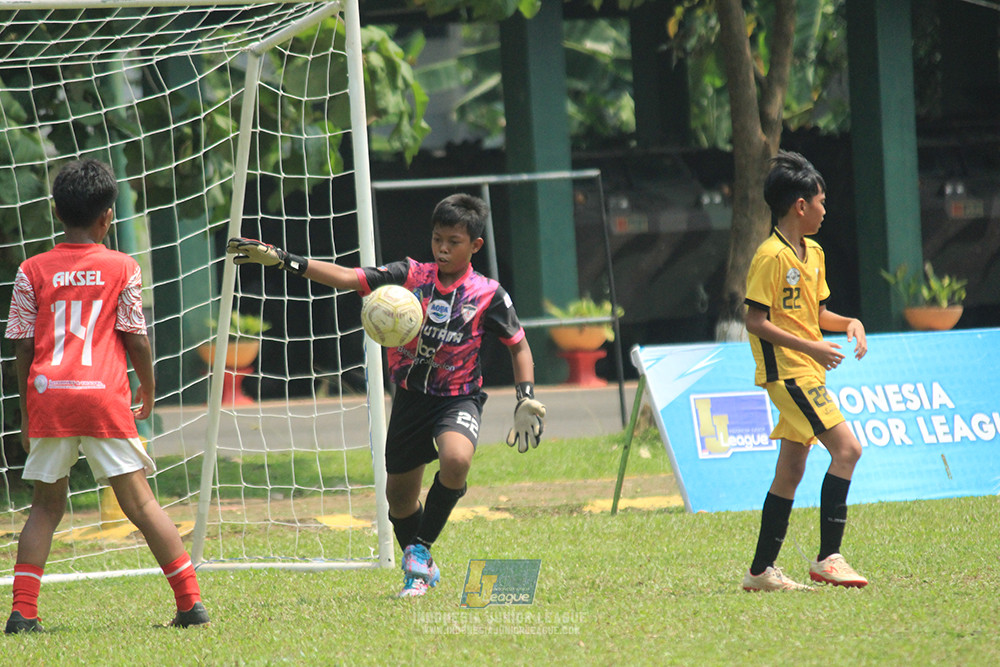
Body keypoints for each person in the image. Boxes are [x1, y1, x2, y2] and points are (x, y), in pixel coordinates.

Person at [227, 193, 546, 598]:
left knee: (457, 459)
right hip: (411, 398)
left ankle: (419, 554)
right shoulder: (411, 276)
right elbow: (347, 278)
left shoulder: (489, 294)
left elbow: (518, 346)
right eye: (437, 239)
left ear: (475, 246)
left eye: (454, 241)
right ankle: (420, 568)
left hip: (458, 398)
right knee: (399, 497)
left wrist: (525, 397)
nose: (443, 248)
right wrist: (285, 259)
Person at [4, 159, 209, 632]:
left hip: (49, 395)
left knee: (45, 507)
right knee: (140, 504)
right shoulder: (123, 267)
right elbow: (135, 336)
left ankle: (23, 613)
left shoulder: (30, 270)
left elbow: (21, 344)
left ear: (56, 212)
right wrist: (149, 388)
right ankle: (190, 604)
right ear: (107, 217)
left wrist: (27, 409)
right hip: (101, 397)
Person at [741, 151, 869, 592]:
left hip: (808, 373)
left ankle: (760, 572)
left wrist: (849, 322)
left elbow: (818, 314)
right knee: (848, 449)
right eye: (820, 201)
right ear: (800, 205)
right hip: (788, 374)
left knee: (791, 470)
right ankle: (828, 558)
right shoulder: (770, 257)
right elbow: (755, 321)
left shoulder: (813, 252)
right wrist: (810, 346)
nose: (824, 209)